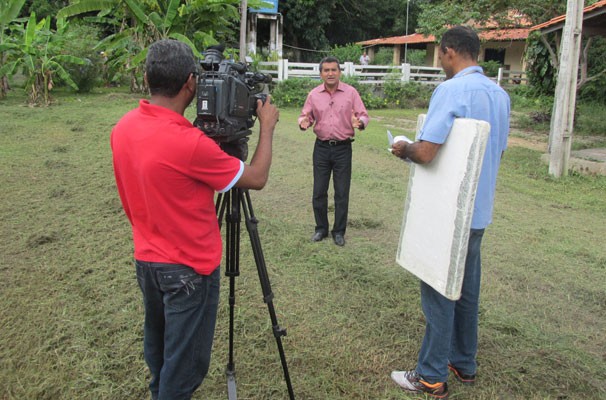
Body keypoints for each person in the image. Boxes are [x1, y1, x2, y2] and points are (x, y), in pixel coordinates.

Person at [110, 39, 279, 400]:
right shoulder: (190, 144)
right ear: (191, 83)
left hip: (147, 262)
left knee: (159, 352)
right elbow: (257, 177)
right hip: (190, 270)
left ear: (146, 77)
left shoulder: (122, 128)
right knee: (184, 369)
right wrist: (267, 126)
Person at [389, 26, 510, 399]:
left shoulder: (451, 90)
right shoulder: (501, 95)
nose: (440, 62)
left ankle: (430, 375)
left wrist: (404, 147)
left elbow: (427, 153)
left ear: (451, 51)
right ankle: (464, 362)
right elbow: (496, 151)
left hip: (448, 214)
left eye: (440, 55)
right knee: (466, 290)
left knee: (439, 292)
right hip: (479, 213)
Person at [298, 56, 369, 247]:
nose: (330, 73)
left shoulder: (350, 93)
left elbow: (363, 114)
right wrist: (304, 122)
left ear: (339, 72)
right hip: (321, 148)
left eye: (334, 70)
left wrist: (360, 122)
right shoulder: (314, 95)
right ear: (321, 73)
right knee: (319, 191)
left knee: (342, 192)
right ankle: (321, 228)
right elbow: (306, 115)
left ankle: (339, 231)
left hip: (343, 148)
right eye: (326, 70)